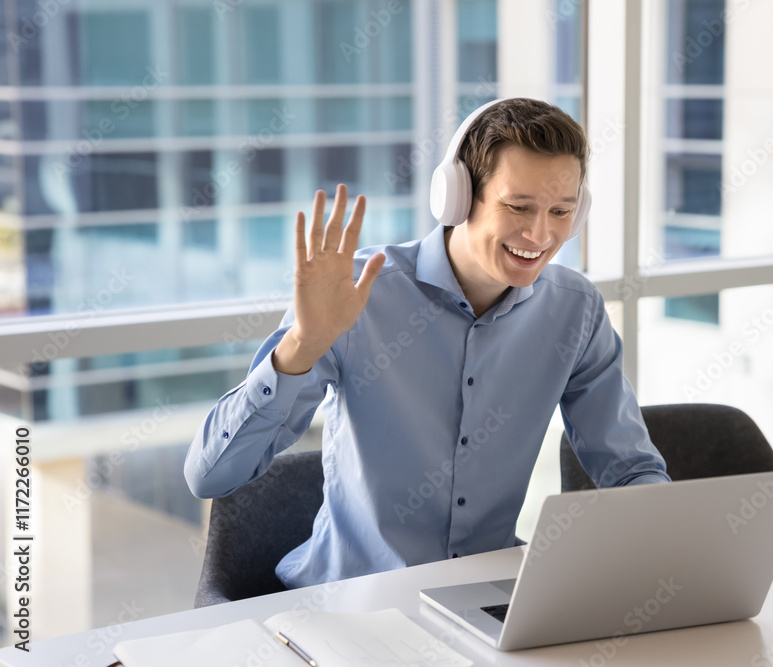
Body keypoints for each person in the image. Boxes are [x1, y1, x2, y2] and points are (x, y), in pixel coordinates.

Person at [184, 97, 669, 589]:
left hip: (488, 598)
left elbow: (630, 469)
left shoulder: (574, 310)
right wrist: (302, 344)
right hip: (354, 603)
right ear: (457, 198)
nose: (541, 234)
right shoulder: (357, 295)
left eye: (562, 211)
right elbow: (210, 477)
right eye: (518, 207)